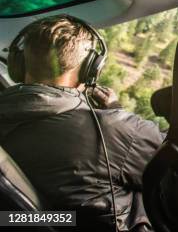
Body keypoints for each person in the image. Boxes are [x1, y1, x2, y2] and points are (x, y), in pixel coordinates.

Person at [0, 15, 164, 231]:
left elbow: (10, 217)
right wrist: (117, 111)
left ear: (18, 64)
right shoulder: (111, 129)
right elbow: (176, 161)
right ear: (91, 69)